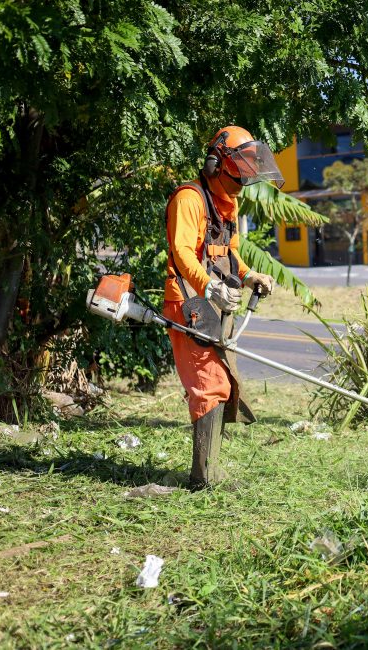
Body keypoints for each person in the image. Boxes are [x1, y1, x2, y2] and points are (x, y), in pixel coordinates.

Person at [164, 126, 285, 489]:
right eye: (239, 170)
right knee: (209, 384)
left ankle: (208, 472)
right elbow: (183, 252)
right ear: (216, 164)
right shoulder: (190, 199)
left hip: (215, 302)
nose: (244, 180)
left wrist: (249, 277)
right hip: (189, 302)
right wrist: (209, 285)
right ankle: (203, 479)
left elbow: (228, 253)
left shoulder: (225, 204)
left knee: (222, 384)